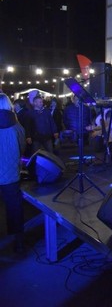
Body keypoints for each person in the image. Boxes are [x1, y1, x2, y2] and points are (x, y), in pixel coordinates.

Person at [0, 93, 26, 253]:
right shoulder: (17, 125)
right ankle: (18, 240)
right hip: (11, 172)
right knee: (14, 206)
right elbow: (22, 147)